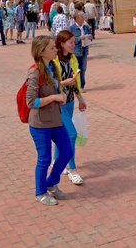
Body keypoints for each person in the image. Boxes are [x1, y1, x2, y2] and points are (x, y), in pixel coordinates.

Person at [26, 36, 72, 205]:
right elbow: (31, 102)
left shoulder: (52, 66)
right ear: (42, 51)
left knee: (67, 151)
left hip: (55, 119)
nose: (56, 50)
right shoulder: (34, 72)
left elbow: (53, 85)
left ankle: (51, 183)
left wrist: (61, 93)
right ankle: (40, 192)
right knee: (44, 158)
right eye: (52, 48)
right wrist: (54, 97)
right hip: (40, 123)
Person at [52, 31, 88, 185]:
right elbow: (49, 84)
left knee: (62, 133)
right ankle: (72, 170)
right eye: (71, 42)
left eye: (74, 42)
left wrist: (80, 99)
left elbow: (75, 82)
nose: (74, 45)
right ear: (61, 43)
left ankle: (56, 161)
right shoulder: (53, 61)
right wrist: (64, 83)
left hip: (70, 101)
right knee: (71, 134)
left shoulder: (72, 59)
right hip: (57, 103)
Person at [69, 11, 92, 90]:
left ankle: (82, 86)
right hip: (76, 51)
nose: (83, 18)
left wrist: (90, 37)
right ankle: (75, 85)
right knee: (76, 69)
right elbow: (70, 40)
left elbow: (90, 35)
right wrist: (79, 38)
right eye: (82, 17)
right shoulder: (72, 28)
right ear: (77, 18)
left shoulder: (86, 27)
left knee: (83, 68)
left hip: (84, 50)